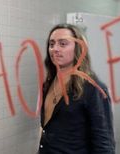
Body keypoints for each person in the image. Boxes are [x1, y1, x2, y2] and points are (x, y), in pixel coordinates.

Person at [38, 23, 115, 154]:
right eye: (51, 44)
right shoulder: (48, 84)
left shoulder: (93, 89)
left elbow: (104, 144)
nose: (55, 49)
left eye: (63, 44)